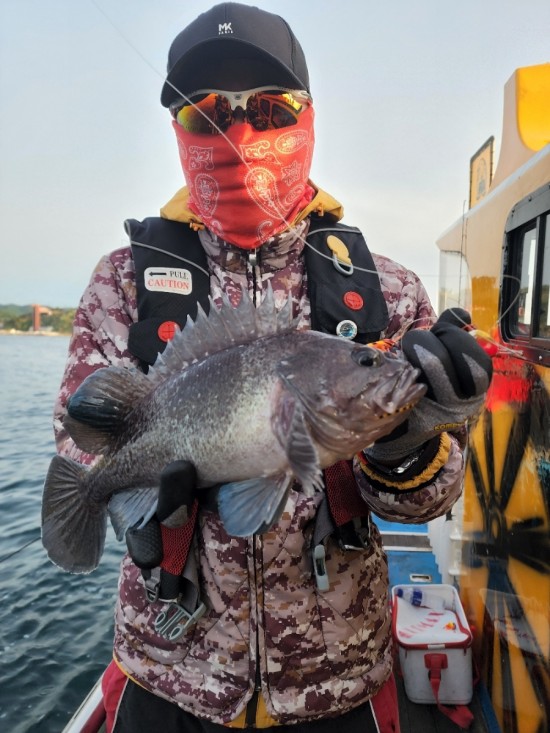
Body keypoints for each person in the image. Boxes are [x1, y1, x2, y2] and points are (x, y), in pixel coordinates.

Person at [52, 3, 492, 731]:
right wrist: (130, 480)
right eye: (205, 111)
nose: (239, 130)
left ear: (307, 116)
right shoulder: (122, 281)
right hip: (168, 673)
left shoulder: (389, 289)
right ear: (177, 130)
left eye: (267, 107)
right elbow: (79, 445)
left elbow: (428, 504)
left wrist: (406, 446)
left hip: (339, 679)